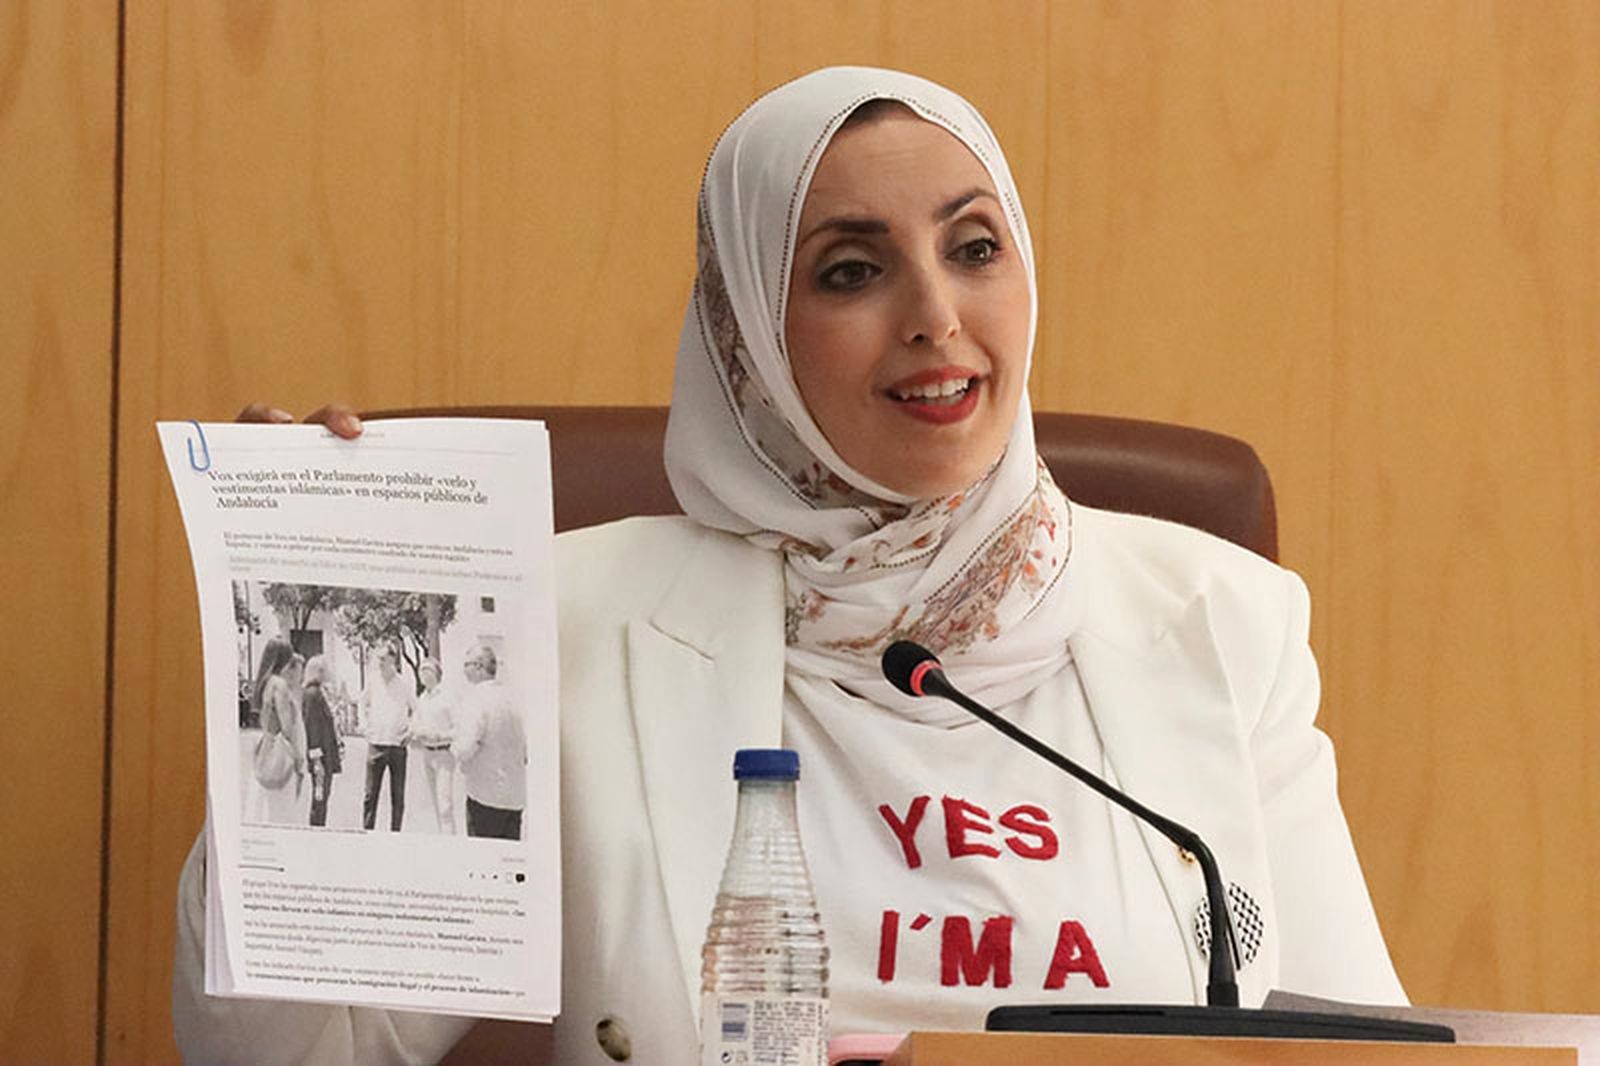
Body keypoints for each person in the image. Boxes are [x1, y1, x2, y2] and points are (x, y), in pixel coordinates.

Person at [178, 67, 1405, 1063]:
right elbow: (288, 1054)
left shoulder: (1218, 621)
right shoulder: (564, 625)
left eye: (974, 248)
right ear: (748, 335)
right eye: (852, 270)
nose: (934, 313)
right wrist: (330, 595)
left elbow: (1355, 1051)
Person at [452, 644, 526, 840]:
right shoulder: (512, 698)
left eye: (466, 664)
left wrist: (454, 746)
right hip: (514, 798)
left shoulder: (476, 698)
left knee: (484, 863)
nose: (463, 670)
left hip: (485, 798)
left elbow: (465, 747)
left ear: (478, 666)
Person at [245, 638, 305, 826]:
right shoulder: (279, 684)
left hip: (266, 746)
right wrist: (297, 755)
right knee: (282, 811)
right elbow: (286, 726)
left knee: (264, 807)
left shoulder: (265, 683)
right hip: (280, 750)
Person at [357, 645, 415, 831]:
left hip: (397, 747)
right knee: (370, 795)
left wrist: (410, 731)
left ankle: (395, 833)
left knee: (397, 796)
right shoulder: (373, 680)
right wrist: (364, 725)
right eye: (378, 658)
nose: (379, 662)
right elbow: (361, 703)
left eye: (383, 658)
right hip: (376, 745)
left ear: (393, 660)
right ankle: (367, 832)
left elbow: (417, 710)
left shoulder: (404, 683)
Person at [411, 657, 460, 834]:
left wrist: (439, 735)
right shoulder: (422, 698)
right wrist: (416, 732)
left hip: (444, 755)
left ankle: (450, 844)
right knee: (434, 803)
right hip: (427, 754)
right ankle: (441, 839)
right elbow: (415, 722)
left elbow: (458, 729)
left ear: (437, 673)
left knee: (445, 804)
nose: (423, 673)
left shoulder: (448, 697)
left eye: (427, 669)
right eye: (421, 670)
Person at [301, 654, 343, 828]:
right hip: (321, 757)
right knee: (319, 798)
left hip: (327, 754)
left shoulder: (320, 692)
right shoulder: (312, 694)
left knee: (322, 798)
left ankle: (318, 828)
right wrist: (316, 759)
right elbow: (312, 728)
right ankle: (316, 831)